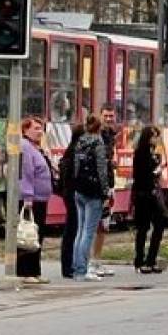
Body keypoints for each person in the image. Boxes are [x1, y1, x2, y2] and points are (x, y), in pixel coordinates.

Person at [72, 114, 111, 282]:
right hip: (93, 192)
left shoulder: (80, 141)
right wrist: (105, 191)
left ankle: (76, 267)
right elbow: (102, 170)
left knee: (80, 231)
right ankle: (83, 270)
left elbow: (76, 166)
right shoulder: (98, 143)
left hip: (79, 190)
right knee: (89, 232)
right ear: (99, 127)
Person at [17, 116, 52, 284]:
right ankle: (26, 272)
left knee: (36, 236)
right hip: (32, 200)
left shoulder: (35, 147)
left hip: (40, 199)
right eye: (36, 128)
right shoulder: (25, 147)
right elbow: (26, 174)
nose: (40, 132)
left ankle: (35, 271)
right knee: (28, 236)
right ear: (25, 130)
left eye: (41, 128)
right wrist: (28, 197)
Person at [88, 102, 119, 278]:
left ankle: (96, 260)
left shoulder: (110, 135)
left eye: (111, 116)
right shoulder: (94, 136)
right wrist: (108, 163)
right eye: (105, 115)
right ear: (100, 115)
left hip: (108, 184)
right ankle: (89, 262)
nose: (108, 119)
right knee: (92, 225)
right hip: (99, 187)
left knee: (103, 226)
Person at [132, 125, 167, 274]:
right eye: (153, 136)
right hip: (143, 194)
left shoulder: (154, 153)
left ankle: (151, 259)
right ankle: (140, 261)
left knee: (160, 223)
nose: (155, 139)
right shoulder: (141, 153)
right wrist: (156, 171)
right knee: (143, 228)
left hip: (153, 193)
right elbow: (142, 174)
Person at [58, 124, 84, 279]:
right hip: (74, 194)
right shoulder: (76, 153)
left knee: (74, 229)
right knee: (73, 229)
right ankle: (69, 266)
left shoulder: (71, 150)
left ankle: (70, 265)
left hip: (70, 193)